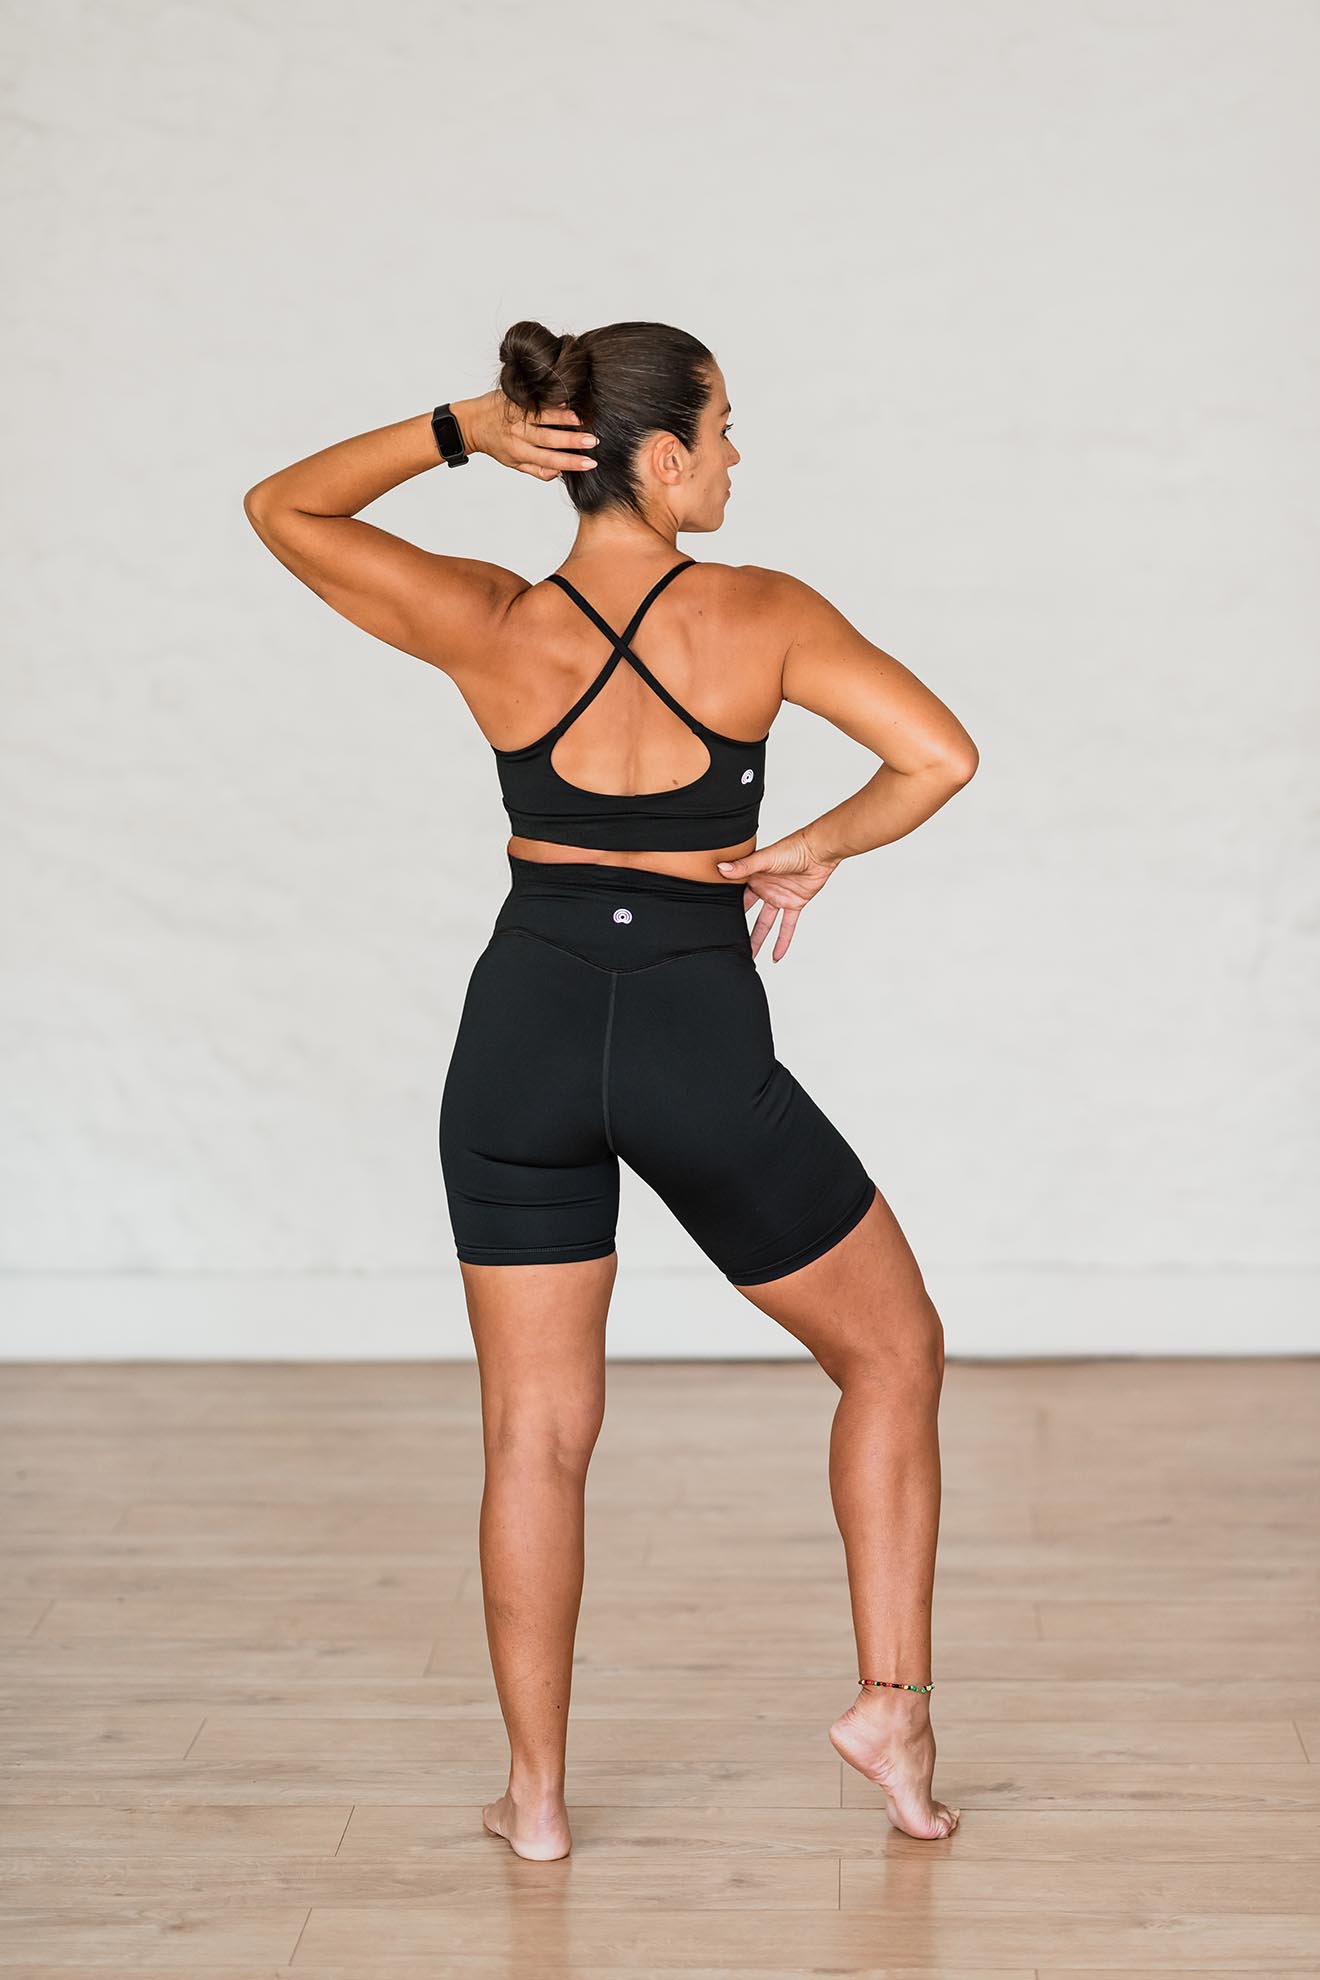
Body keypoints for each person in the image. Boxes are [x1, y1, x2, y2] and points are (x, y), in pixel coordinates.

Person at [243, 318, 977, 1862]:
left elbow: (283, 508)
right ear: (658, 456)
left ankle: (534, 1801)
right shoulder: (763, 615)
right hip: (691, 1042)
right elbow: (937, 756)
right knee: (895, 1351)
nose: (734, 459)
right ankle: (892, 1715)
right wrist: (810, 847)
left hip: (522, 1031)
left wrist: (466, 428)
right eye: (722, 431)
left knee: (534, 1434)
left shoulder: (491, 619)